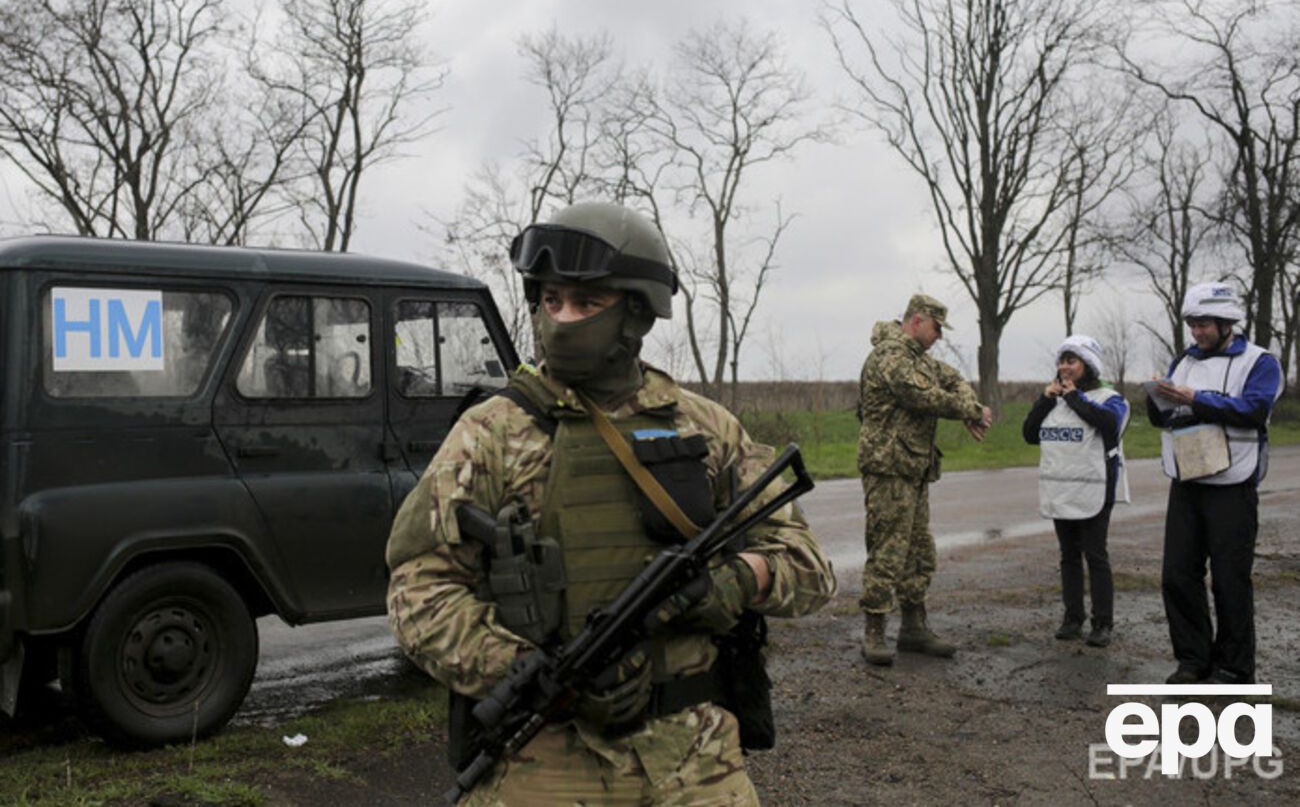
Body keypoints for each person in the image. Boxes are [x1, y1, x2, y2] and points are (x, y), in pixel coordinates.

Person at [386, 201, 836, 805]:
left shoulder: (706, 428)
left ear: (636, 312)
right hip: (546, 756)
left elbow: (808, 567)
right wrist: (520, 669)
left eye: (585, 303)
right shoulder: (490, 433)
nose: (561, 320)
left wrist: (734, 582)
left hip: (695, 755)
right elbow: (417, 592)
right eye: (551, 301)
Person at [1148, 282, 1283, 686]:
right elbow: (1165, 415)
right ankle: (1193, 659)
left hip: (1232, 485)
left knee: (1229, 580)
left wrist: (1196, 398)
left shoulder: (1260, 362)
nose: (1197, 332)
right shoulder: (1184, 361)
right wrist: (1157, 398)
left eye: (1204, 324)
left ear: (1227, 324)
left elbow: (1254, 409)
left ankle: (1234, 667)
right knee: (1177, 575)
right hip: (1187, 481)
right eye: (1192, 324)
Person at [855, 293, 992, 666]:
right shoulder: (890, 357)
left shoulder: (921, 360)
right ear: (916, 321)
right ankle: (874, 630)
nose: (939, 336)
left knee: (918, 551)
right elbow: (923, 397)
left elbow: (954, 380)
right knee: (887, 551)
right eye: (936, 328)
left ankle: (913, 628)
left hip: (914, 468)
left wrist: (969, 407)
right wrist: (972, 410)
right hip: (888, 468)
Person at [1021, 335, 1130, 648]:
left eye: (1072, 361)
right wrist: (1045, 399)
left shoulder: (1110, 399)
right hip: (1061, 491)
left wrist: (1073, 398)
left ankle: (1102, 623)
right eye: (1062, 361)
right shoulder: (1054, 400)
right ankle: (1072, 618)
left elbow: (1109, 425)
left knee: (1095, 555)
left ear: (1088, 365)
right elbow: (1029, 434)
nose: (1065, 367)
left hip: (1095, 490)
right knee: (1068, 556)